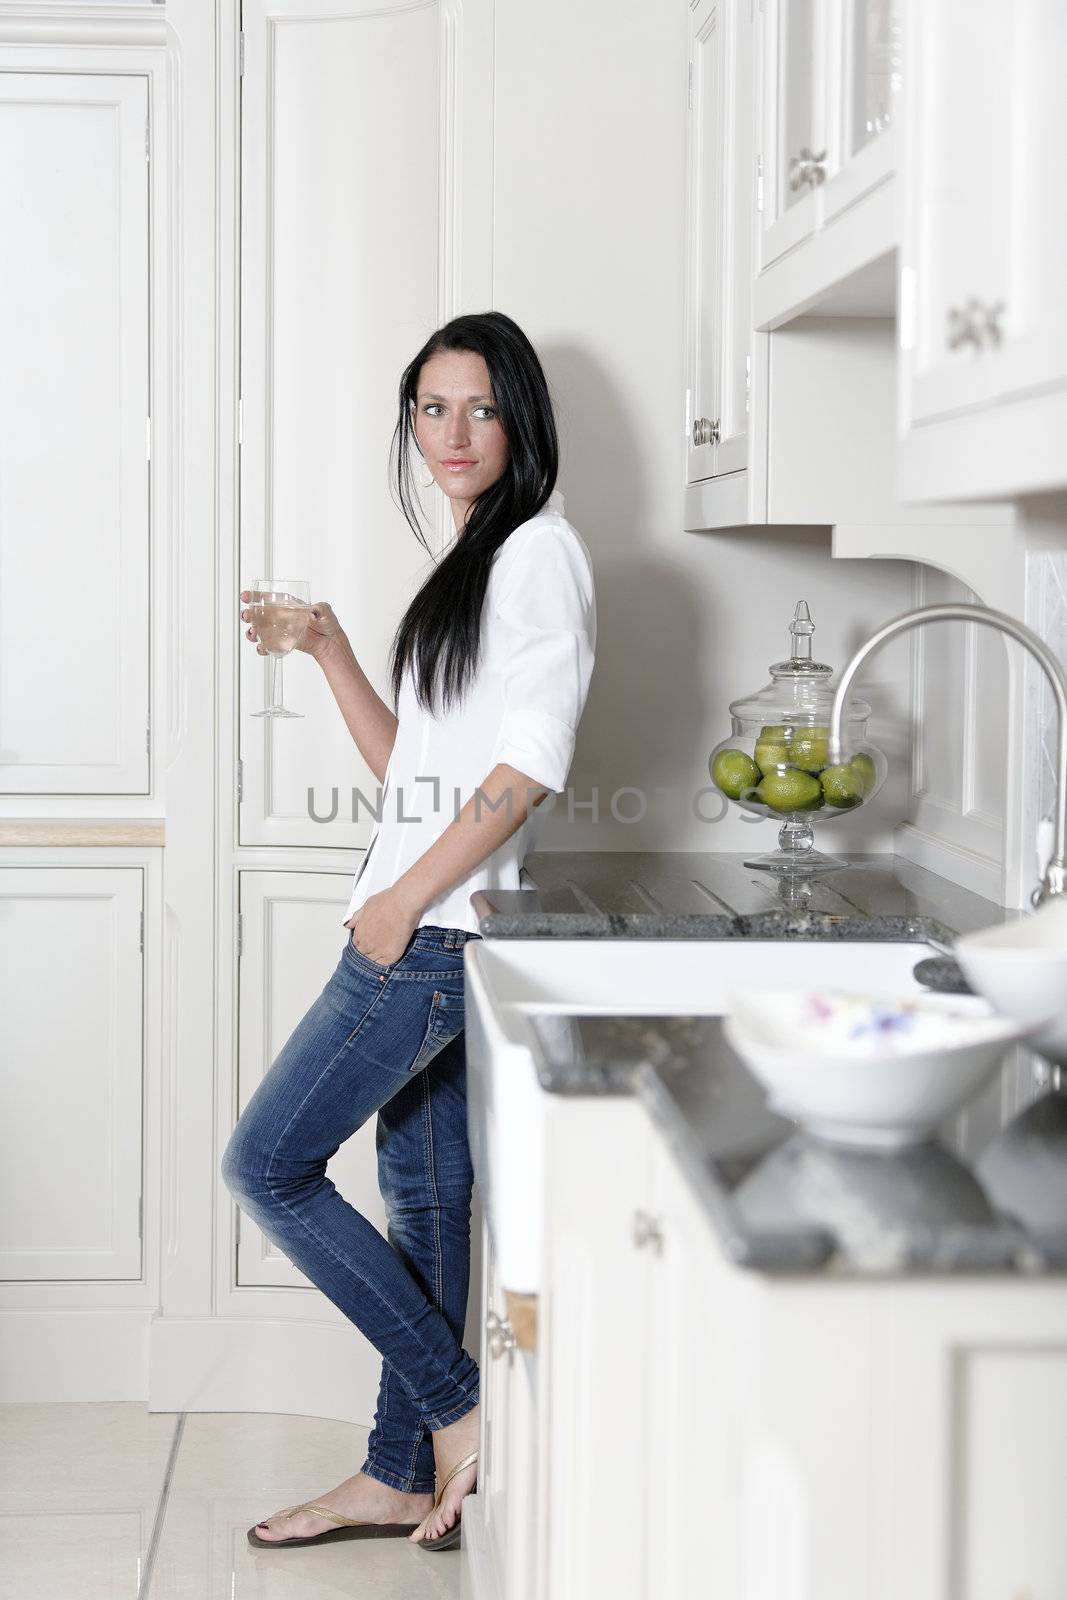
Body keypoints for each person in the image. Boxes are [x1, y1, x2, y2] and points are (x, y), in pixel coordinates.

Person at [222, 310, 597, 1553]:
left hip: (424, 939)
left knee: (266, 1167)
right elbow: (420, 778)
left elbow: (526, 769)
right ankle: (397, 1472)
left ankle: (459, 1413)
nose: (452, 431)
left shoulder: (538, 553)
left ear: (520, 420)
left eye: (479, 407)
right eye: (431, 408)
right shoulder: (475, 563)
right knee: (427, 1211)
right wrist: (330, 648)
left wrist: (394, 906)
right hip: (432, 927)